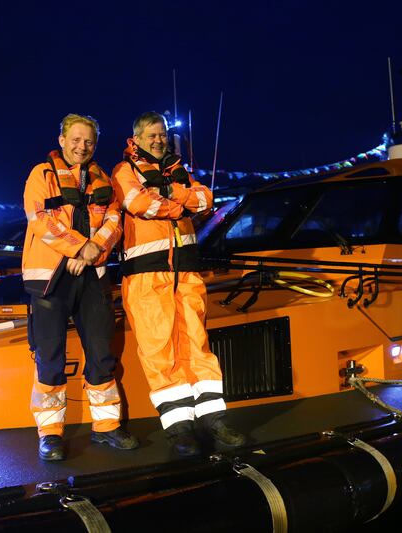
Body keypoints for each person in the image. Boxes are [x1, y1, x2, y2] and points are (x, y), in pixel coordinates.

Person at [111, 111, 245, 456]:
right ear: (136, 138)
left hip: (185, 270)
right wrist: (181, 203)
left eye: (162, 135)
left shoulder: (178, 170)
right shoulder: (125, 171)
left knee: (197, 345)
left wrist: (172, 194)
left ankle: (215, 420)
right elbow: (139, 203)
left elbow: (206, 200)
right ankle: (179, 429)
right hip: (146, 275)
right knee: (159, 351)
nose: (159, 140)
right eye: (152, 135)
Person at [22, 113, 138, 461]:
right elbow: (39, 217)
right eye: (75, 139)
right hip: (50, 280)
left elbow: (115, 220)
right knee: (50, 357)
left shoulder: (103, 179)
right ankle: (50, 434)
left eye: (88, 141)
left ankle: (106, 428)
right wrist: (78, 247)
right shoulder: (41, 175)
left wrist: (90, 252)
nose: (81, 146)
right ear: (61, 140)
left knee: (102, 352)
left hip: (92, 274)